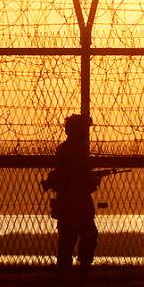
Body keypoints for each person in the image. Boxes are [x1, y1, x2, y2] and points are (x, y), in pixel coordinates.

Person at [41, 114, 99, 271]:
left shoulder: (72, 149)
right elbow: (73, 176)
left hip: (73, 200)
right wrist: (90, 180)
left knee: (76, 236)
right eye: (83, 130)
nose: (86, 133)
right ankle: (78, 267)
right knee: (75, 236)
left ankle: (72, 268)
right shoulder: (72, 150)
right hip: (73, 201)